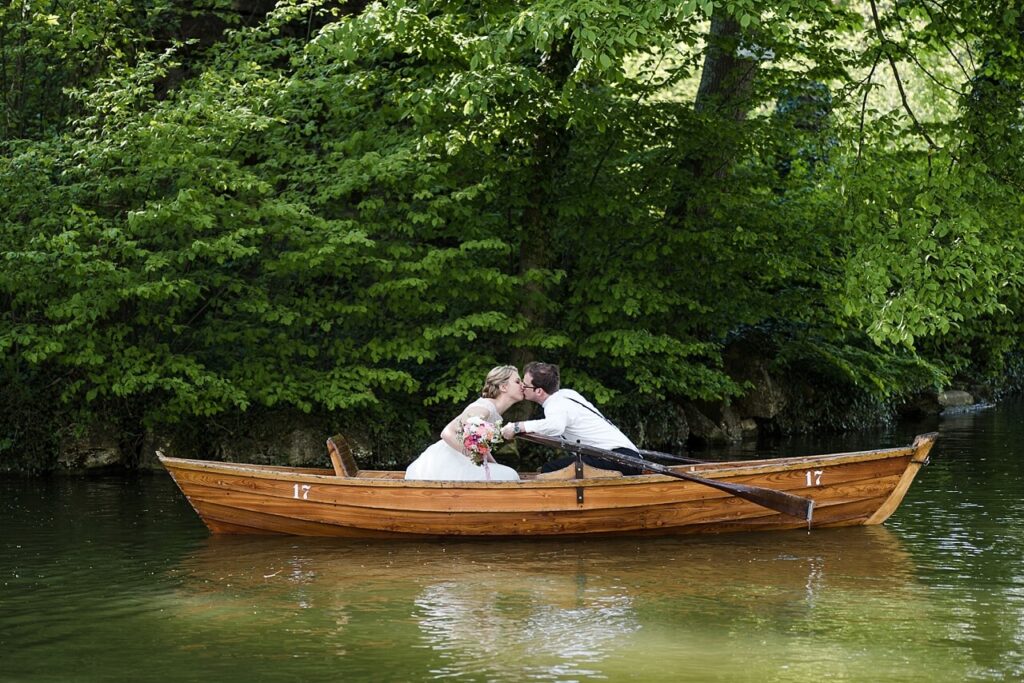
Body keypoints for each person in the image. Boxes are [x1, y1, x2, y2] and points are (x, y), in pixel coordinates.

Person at [499, 362, 644, 475]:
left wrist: (517, 427)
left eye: (525, 385)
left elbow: (555, 426)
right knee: (551, 469)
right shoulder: (566, 394)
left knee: (549, 469)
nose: (522, 387)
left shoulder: (556, 404)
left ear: (538, 391)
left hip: (620, 460)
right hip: (626, 458)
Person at [405, 366, 523, 481]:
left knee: (507, 474)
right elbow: (447, 433)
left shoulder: (493, 411)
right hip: (447, 464)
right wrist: (473, 456)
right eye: (518, 381)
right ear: (503, 387)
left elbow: (481, 448)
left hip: (462, 462)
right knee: (510, 475)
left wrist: (494, 465)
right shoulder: (484, 408)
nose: (523, 385)